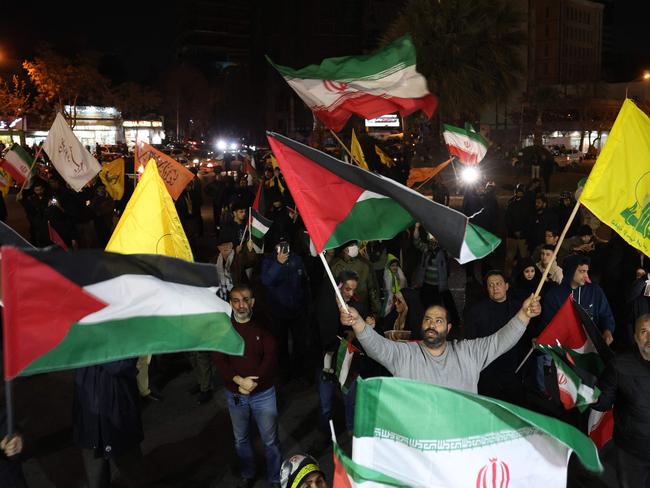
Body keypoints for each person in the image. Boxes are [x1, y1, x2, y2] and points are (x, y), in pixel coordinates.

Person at [340, 293, 541, 393]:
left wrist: (524, 315)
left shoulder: (468, 353)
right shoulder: (406, 354)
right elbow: (378, 347)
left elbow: (499, 341)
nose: (432, 325)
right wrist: (357, 322)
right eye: (428, 319)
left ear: (449, 328)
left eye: (438, 321)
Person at [213, 285, 281, 488]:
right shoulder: (224, 328)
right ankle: (248, 473)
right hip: (236, 395)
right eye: (236, 300)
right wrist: (239, 381)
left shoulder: (264, 325)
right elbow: (219, 359)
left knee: (270, 440)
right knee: (241, 439)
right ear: (230, 303)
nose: (241, 305)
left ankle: (275, 477)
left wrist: (253, 381)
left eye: (245, 300)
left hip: (263, 393)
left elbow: (270, 356)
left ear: (252, 302)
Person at [592, 314, 650, 487]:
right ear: (635, 337)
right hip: (631, 453)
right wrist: (583, 391)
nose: (649, 338)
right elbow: (603, 402)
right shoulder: (619, 365)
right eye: (644, 331)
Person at [73, 359, 149, 488]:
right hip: (103, 408)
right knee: (126, 465)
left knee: (123, 464)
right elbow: (119, 366)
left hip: (100, 406)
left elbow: (121, 365)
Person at [464, 270, 528, 402]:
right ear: (487, 289)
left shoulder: (519, 309)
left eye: (498, 283)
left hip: (512, 368)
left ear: (506, 286)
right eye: (490, 285)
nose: (495, 288)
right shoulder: (476, 311)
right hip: (487, 370)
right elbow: (469, 341)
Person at [260, 236, 309, 380]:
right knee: (280, 345)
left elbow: (304, 283)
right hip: (278, 312)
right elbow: (266, 280)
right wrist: (278, 263)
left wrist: (305, 304)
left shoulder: (297, 259)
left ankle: (299, 373)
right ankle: (284, 374)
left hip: (297, 311)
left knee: (300, 344)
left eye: (286, 244)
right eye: (280, 244)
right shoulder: (269, 261)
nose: (283, 247)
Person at [411, 224, 459, 326]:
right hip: (426, 284)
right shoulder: (426, 250)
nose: (434, 243)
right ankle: (426, 321)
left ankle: (453, 322)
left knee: (441, 304)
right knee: (425, 303)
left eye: (436, 240)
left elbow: (453, 250)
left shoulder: (444, 251)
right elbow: (416, 241)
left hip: (439, 285)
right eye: (432, 241)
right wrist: (416, 228)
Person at [330, 241, 381, 319]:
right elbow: (330, 290)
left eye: (355, 244)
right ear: (344, 249)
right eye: (352, 245)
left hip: (362, 310)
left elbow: (373, 289)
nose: (355, 247)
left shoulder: (365, 264)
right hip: (341, 311)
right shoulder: (334, 265)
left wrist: (376, 312)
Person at [504, 184, 534, 277]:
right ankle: (507, 276)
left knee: (524, 258)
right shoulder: (511, 203)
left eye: (521, 192)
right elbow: (507, 219)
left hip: (523, 236)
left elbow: (529, 220)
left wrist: (522, 231)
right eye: (518, 192)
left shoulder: (528, 204)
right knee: (509, 258)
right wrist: (513, 231)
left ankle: (524, 276)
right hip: (512, 236)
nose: (519, 193)